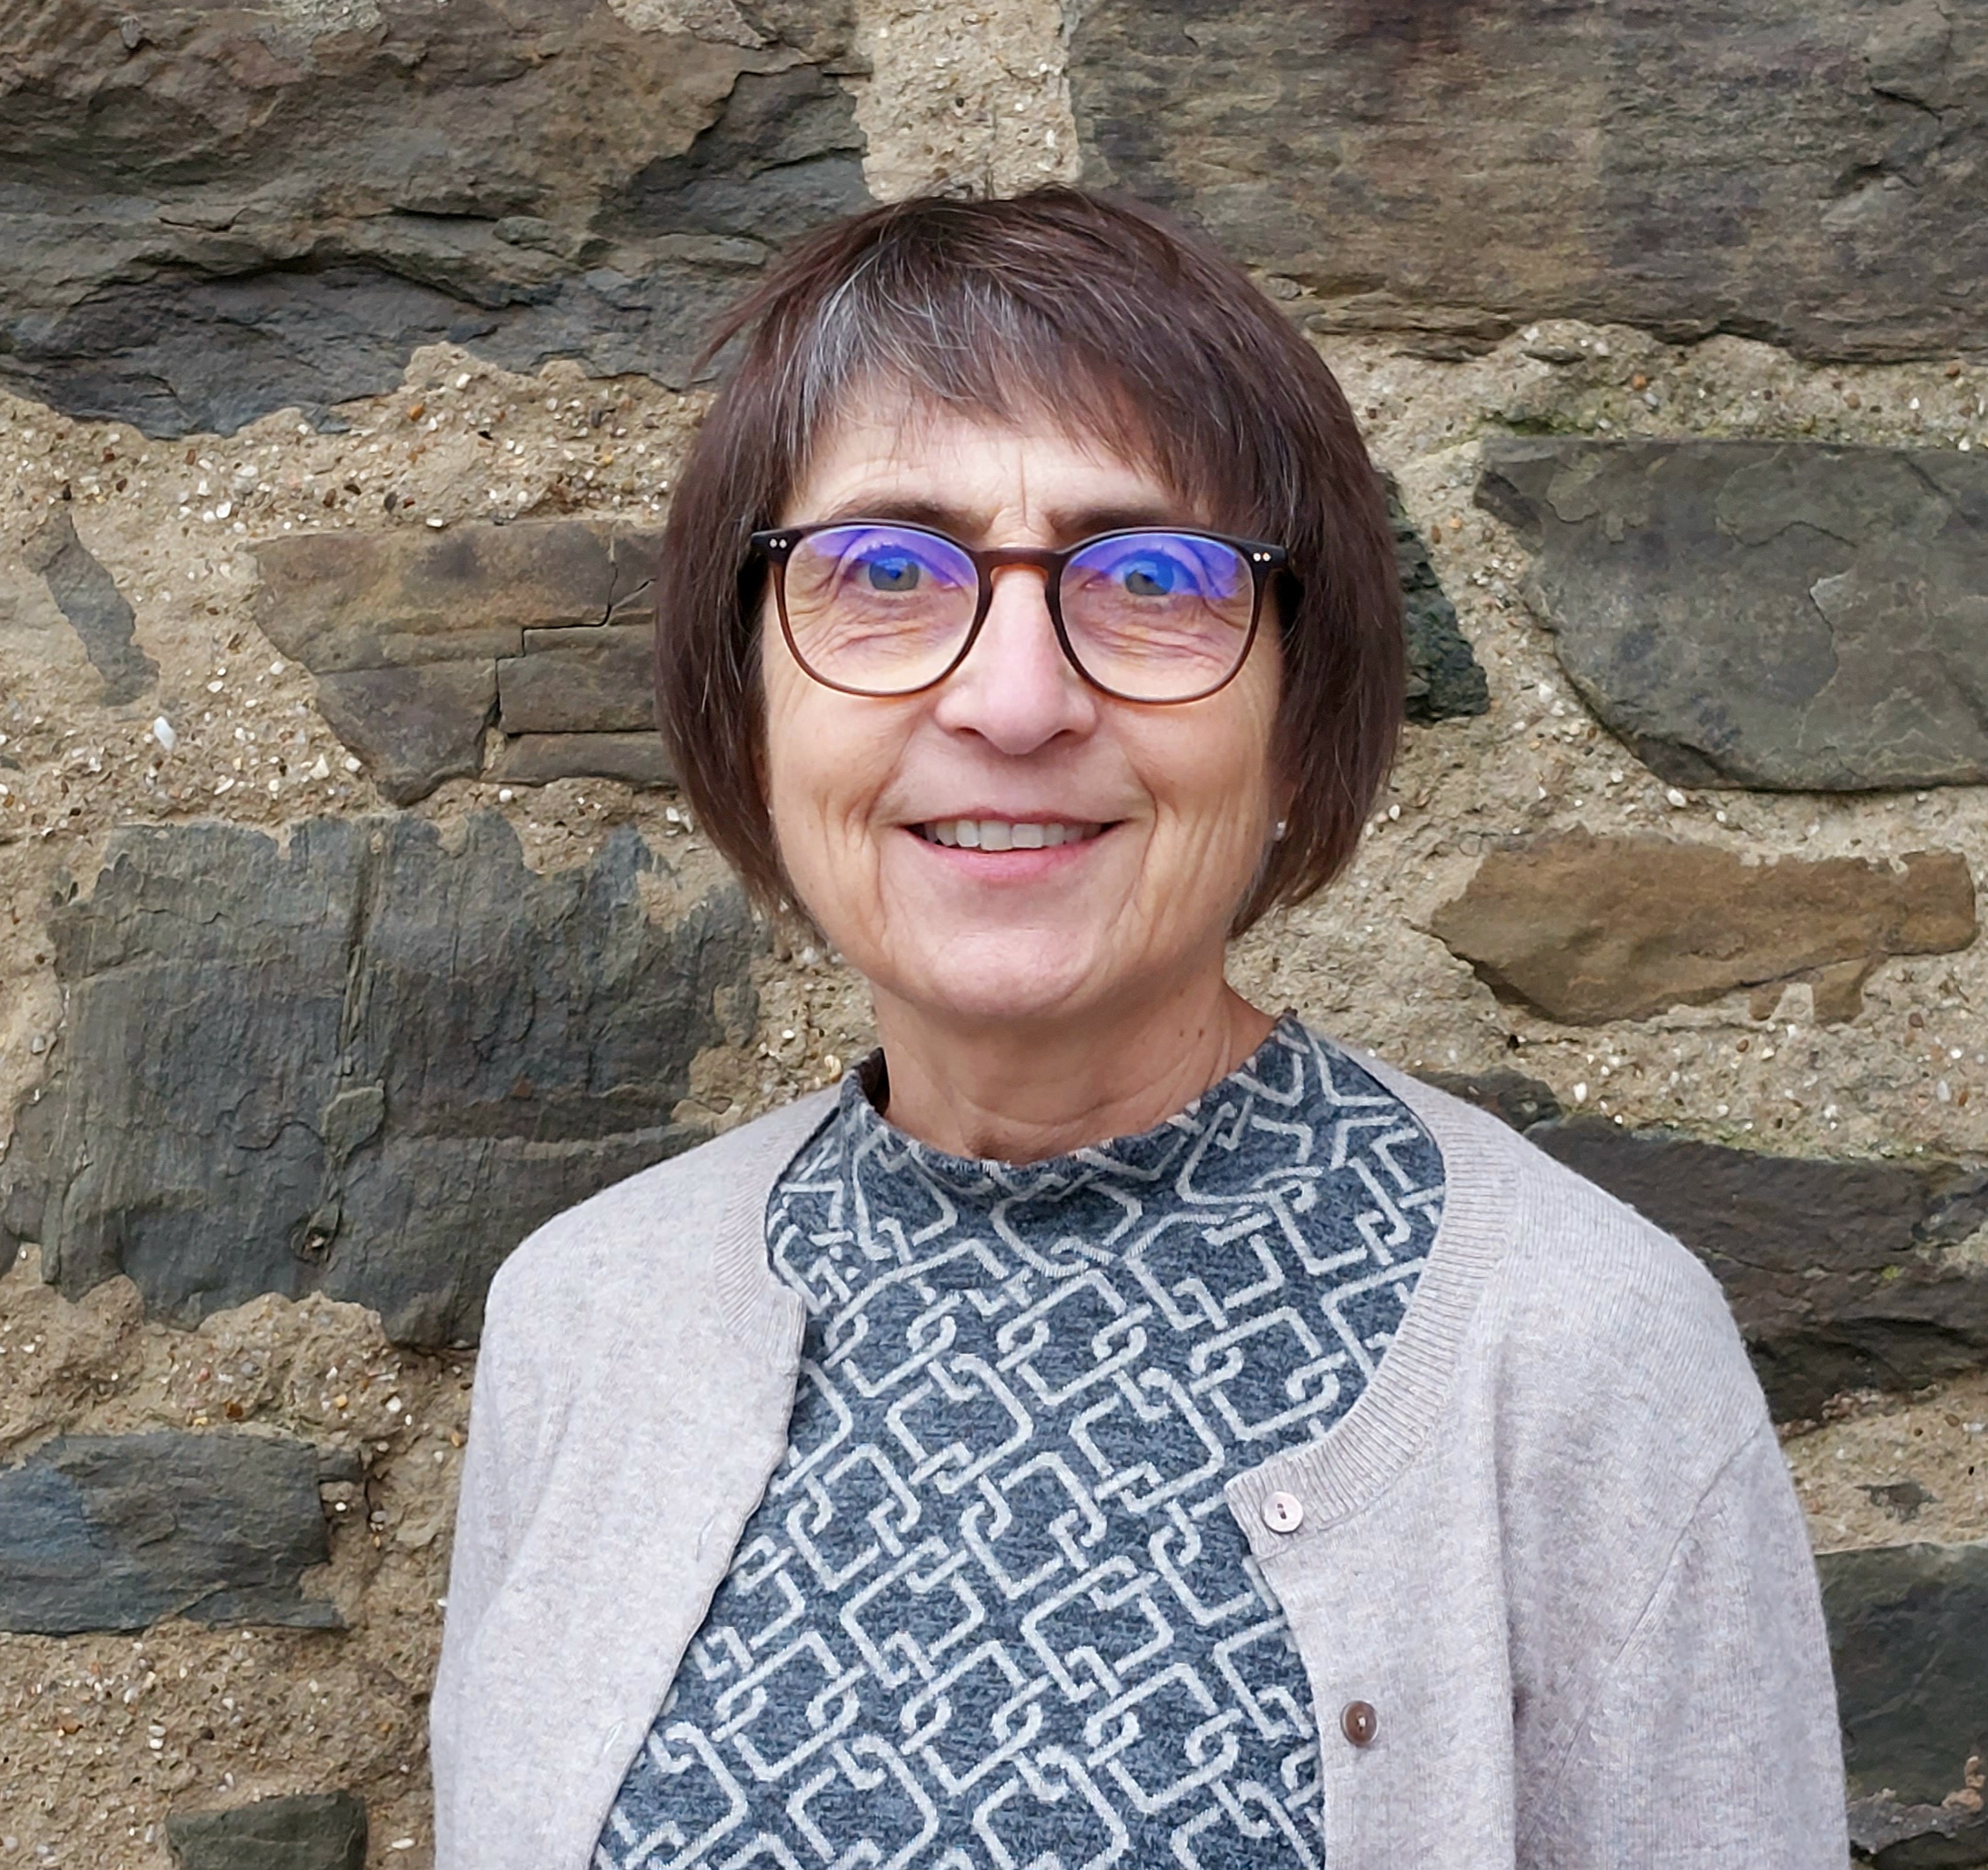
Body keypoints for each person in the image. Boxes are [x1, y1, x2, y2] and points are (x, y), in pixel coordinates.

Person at [429, 188, 1849, 1869]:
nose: (1013, 700)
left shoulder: (1580, 1353)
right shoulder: (584, 1318)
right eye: (883, 569)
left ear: (1295, 718)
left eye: (1152, 576)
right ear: (748, 701)